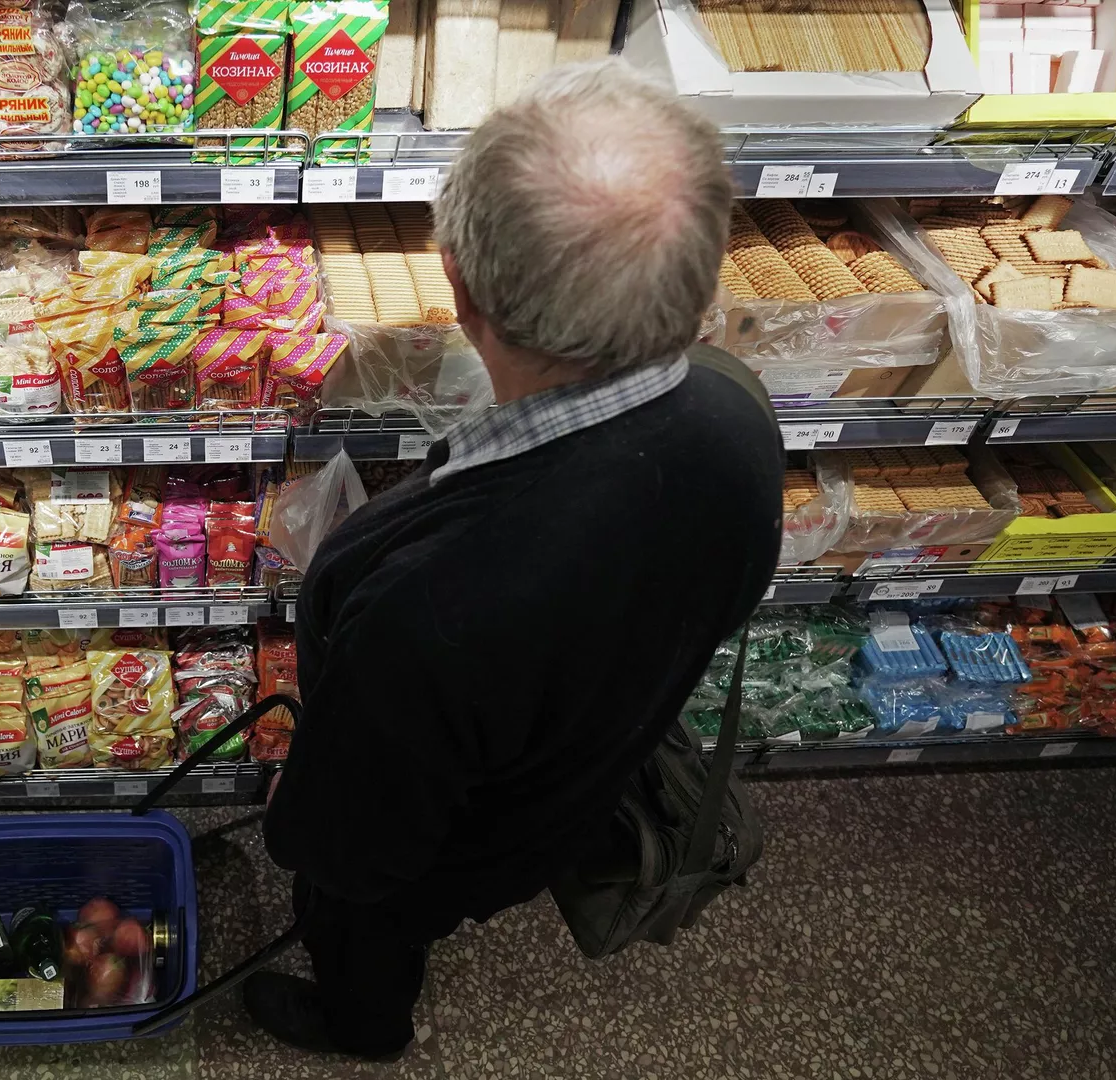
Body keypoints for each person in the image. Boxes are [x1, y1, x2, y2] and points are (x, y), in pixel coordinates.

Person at [245, 58, 785, 1060]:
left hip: (443, 848)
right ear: (702, 284)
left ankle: (364, 1026)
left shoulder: (432, 606)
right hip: (570, 787)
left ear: (457, 285)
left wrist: (300, 823)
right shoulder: (738, 416)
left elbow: (353, 849)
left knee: (366, 924)